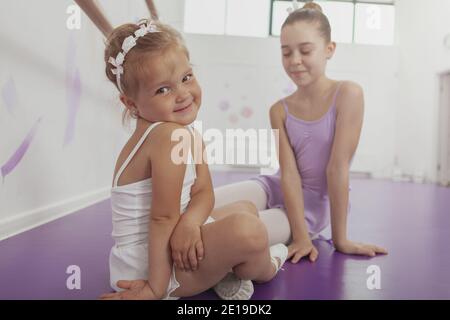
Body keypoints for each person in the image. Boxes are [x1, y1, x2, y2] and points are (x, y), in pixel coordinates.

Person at [98, 19, 288, 300]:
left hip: (173, 244)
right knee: (249, 231)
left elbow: (202, 192)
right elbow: (162, 218)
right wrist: (154, 289)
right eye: (163, 90)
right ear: (131, 103)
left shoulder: (185, 134)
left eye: (186, 78)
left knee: (246, 208)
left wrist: (190, 225)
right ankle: (265, 268)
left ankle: (221, 272)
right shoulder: (167, 137)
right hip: (153, 268)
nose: (183, 94)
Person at [212, 2, 388, 264]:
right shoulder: (278, 111)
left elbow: (337, 170)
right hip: (274, 187)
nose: (294, 61)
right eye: (286, 52)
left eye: (305, 51)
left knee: (230, 236)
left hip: (312, 208)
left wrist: (319, 237)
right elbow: (289, 175)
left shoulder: (348, 94)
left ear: (330, 50)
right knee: (199, 209)